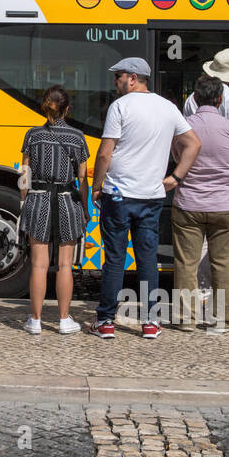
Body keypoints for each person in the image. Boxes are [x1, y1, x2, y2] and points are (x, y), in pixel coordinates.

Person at [90, 58, 200, 339]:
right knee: (147, 259)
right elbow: (193, 143)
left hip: (119, 195)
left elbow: (105, 153)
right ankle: (150, 322)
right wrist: (175, 178)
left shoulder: (120, 107)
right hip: (151, 195)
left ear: (132, 78)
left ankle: (106, 321)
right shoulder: (167, 107)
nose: (115, 82)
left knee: (115, 258)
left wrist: (97, 184)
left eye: (118, 77)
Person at [170, 75, 229, 334]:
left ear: (195, 98)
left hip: (189, 203)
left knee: (186, 263)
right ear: (221, 99)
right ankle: (220, 319)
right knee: (225, 264)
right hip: (226, 204)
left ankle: (185, 318)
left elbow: (179, 157)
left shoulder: (183, 126)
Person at [18, 85, 88, 335]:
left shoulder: (32, 135)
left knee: (38, 264)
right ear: (67, 109)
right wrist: (85, 208)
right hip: (68, 202)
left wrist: (23, 200)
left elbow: (24, 172)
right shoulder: (78, 137)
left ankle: (35, 321)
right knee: (65, 265)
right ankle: (64, 319)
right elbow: (81, 178)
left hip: (38, 201)